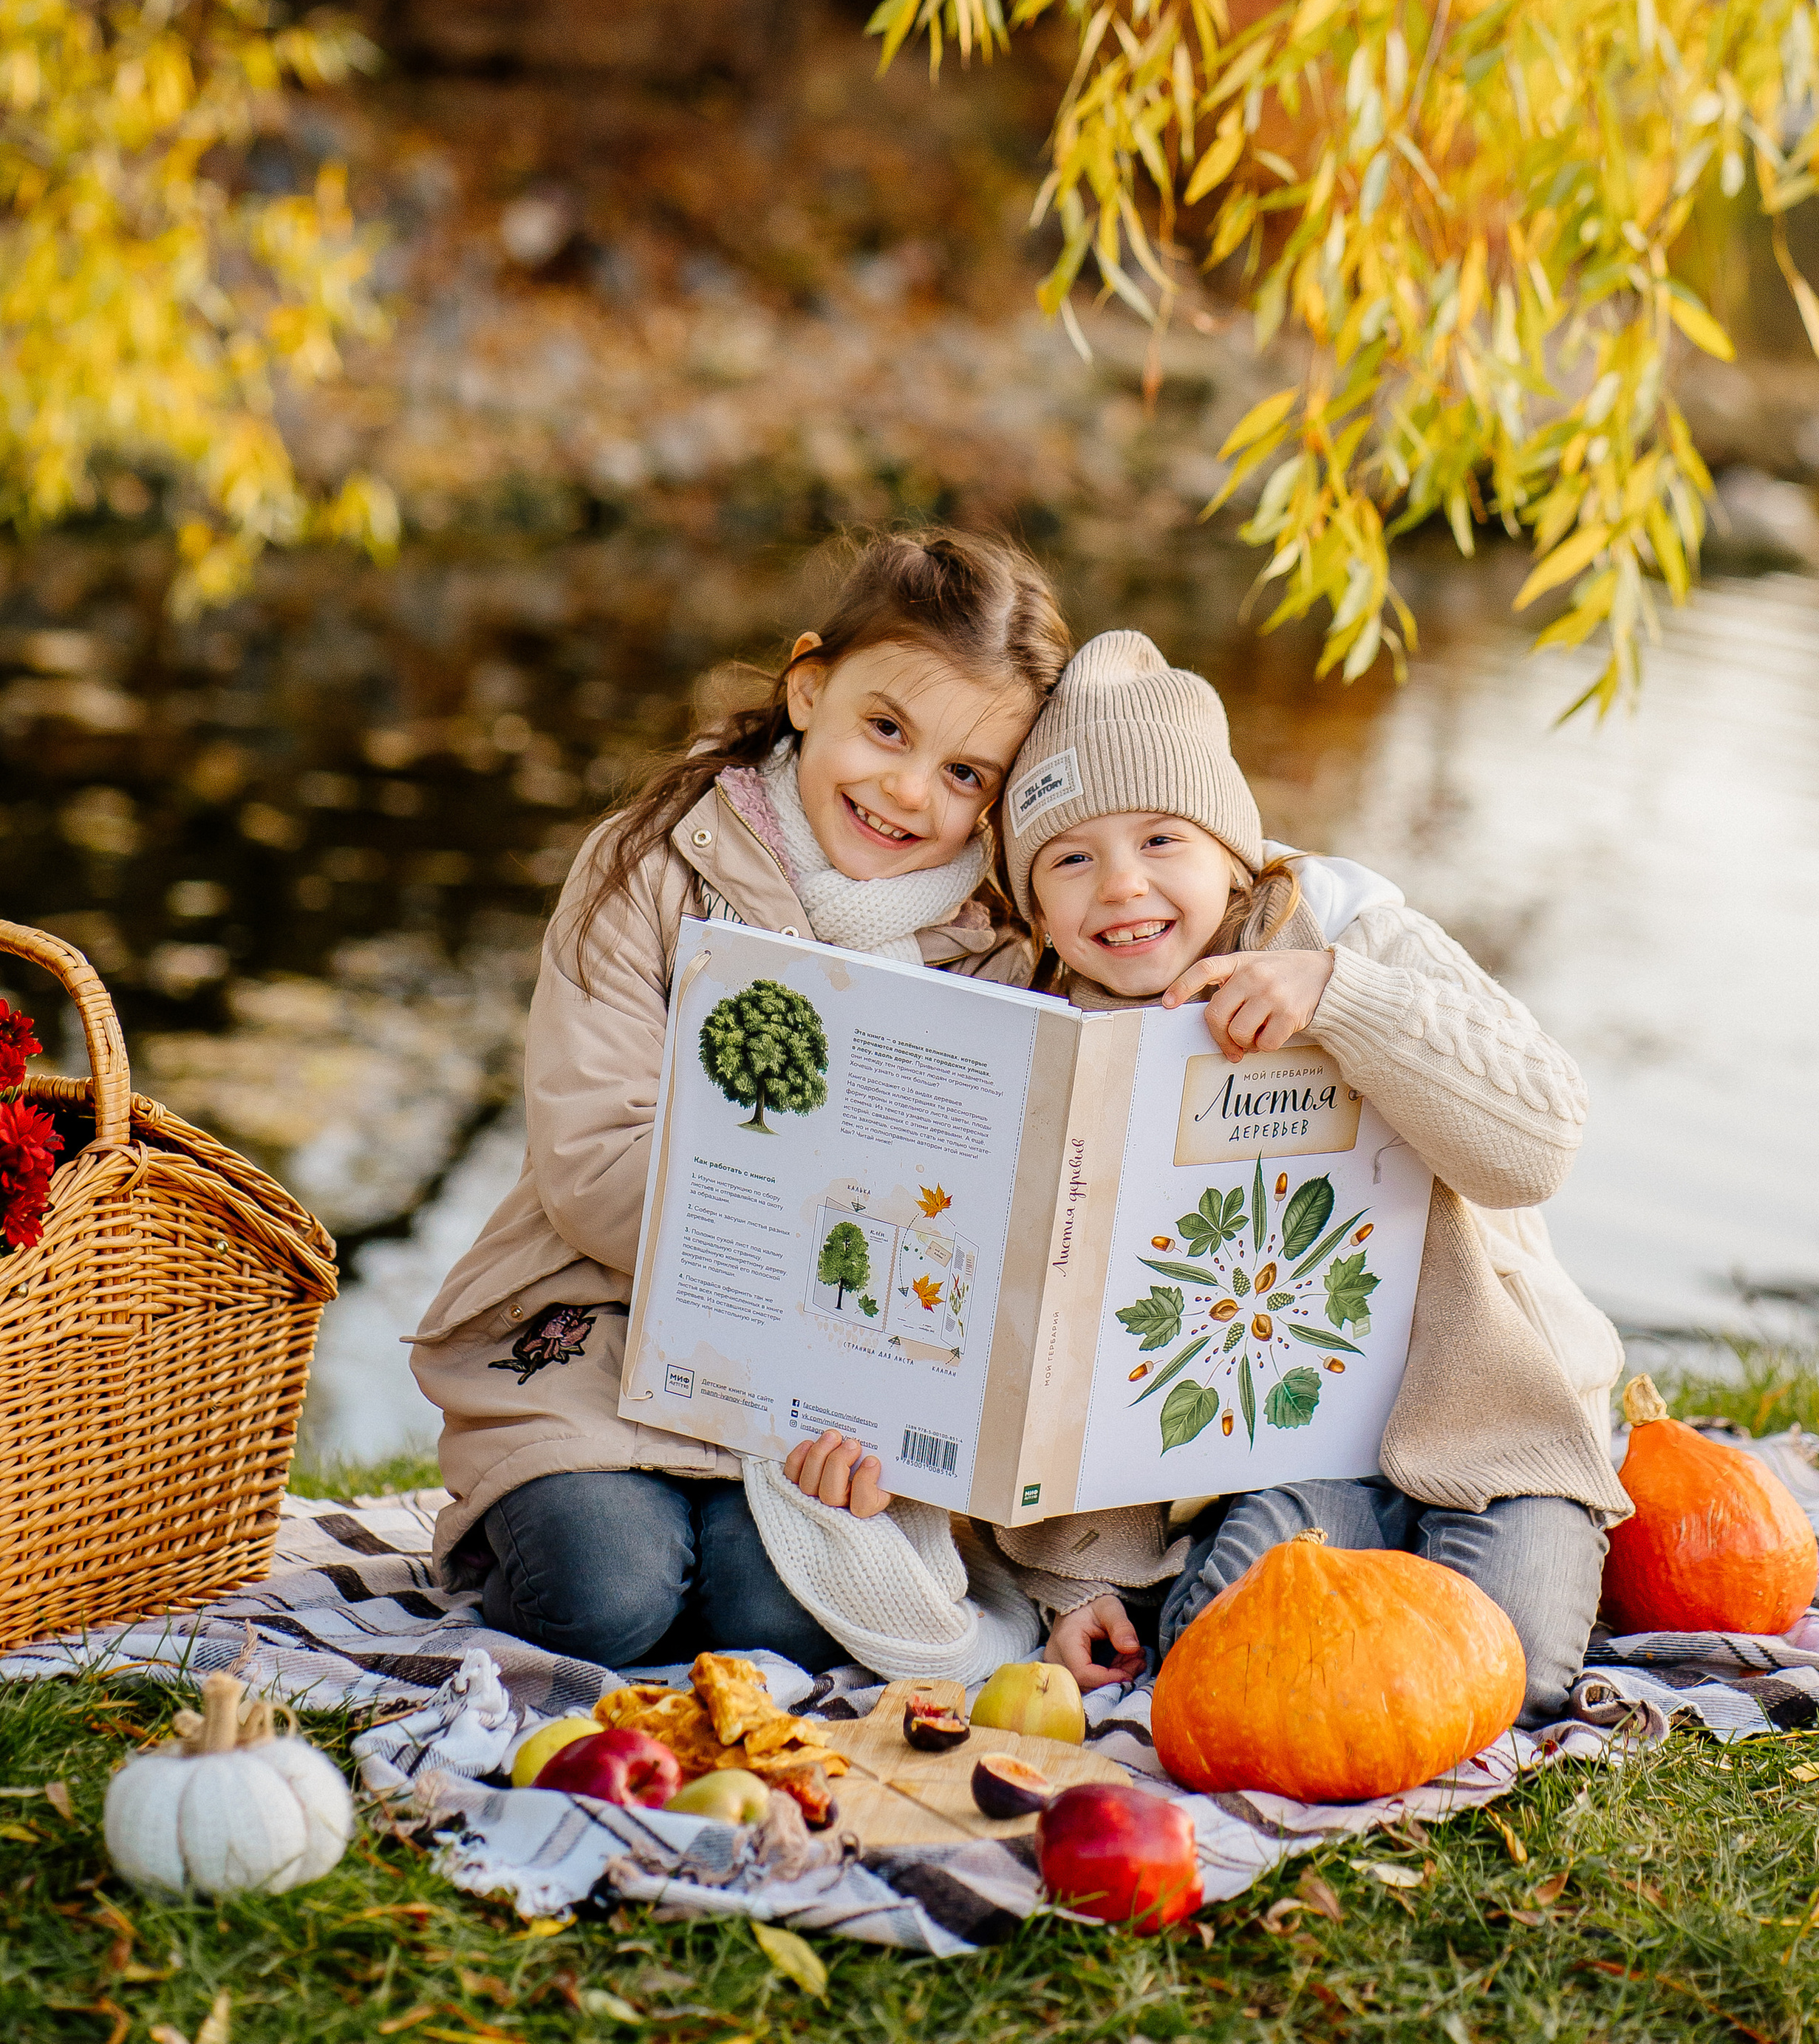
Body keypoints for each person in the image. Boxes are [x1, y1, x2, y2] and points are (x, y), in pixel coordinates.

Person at [409, 529, 1068, 1677]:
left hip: (829, 1391)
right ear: (810, 689)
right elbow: (592, 1162)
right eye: (887, 729)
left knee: (785, 1616)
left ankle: (717, 1555)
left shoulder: (997, 956)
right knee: (605, 1595)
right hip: (600, 1332)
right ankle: (564, 1532)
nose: (910, 791)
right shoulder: (650, 868)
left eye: (967, 775)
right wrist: (801, 1233)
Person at [986, 629, 1628, 1727]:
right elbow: (1056, 1337)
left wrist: (1342, 996)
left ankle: (1472, 1559)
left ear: (1233, 850)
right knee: (1213, 1656)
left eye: (1161, 838)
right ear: (1036, 904)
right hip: (1296, 1453)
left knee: (1508, 1673)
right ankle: (1342, 1562)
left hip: (1485, 1413)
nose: (1123, 885)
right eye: (1070, 859)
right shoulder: (1062, 1038)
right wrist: (1075, 1574)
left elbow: (1540, 1143)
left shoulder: (1348, 928)